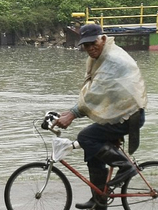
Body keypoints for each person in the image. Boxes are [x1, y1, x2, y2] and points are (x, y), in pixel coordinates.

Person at [54, 24, 148, 210]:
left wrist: (73, 114)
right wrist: (70, 111)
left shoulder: (112, 60)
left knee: (85, 137)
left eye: (92, 43)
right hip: (121, 114)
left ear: (103, 39)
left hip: (129, 117)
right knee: (92, 151)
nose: (90, 48)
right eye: (86, 45)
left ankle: (126, 166)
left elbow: (96, 94)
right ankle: (99, 199)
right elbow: (97, 93)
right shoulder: (102, 57)